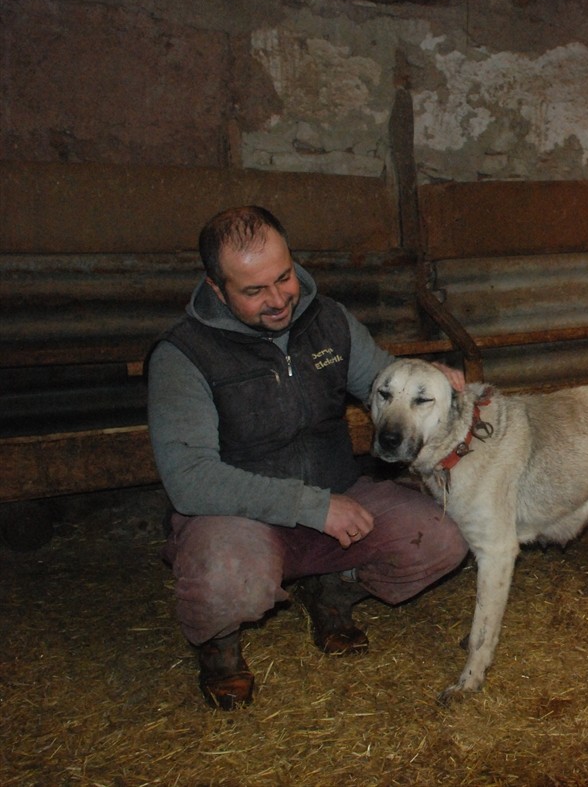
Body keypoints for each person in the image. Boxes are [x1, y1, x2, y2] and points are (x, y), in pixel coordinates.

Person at [147, 205, 470, 710]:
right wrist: (311, 506)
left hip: (338, 489)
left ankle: (332, 591)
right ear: (215, 288)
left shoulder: (330, 321)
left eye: (284, 277)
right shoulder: (183, 356)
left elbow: (386, 379)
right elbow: (189, 479)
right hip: (240, 515)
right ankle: (220, 649)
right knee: (226, 577)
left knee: (444, 537)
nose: (279, 300)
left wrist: (429, 376)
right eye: (254, 291)